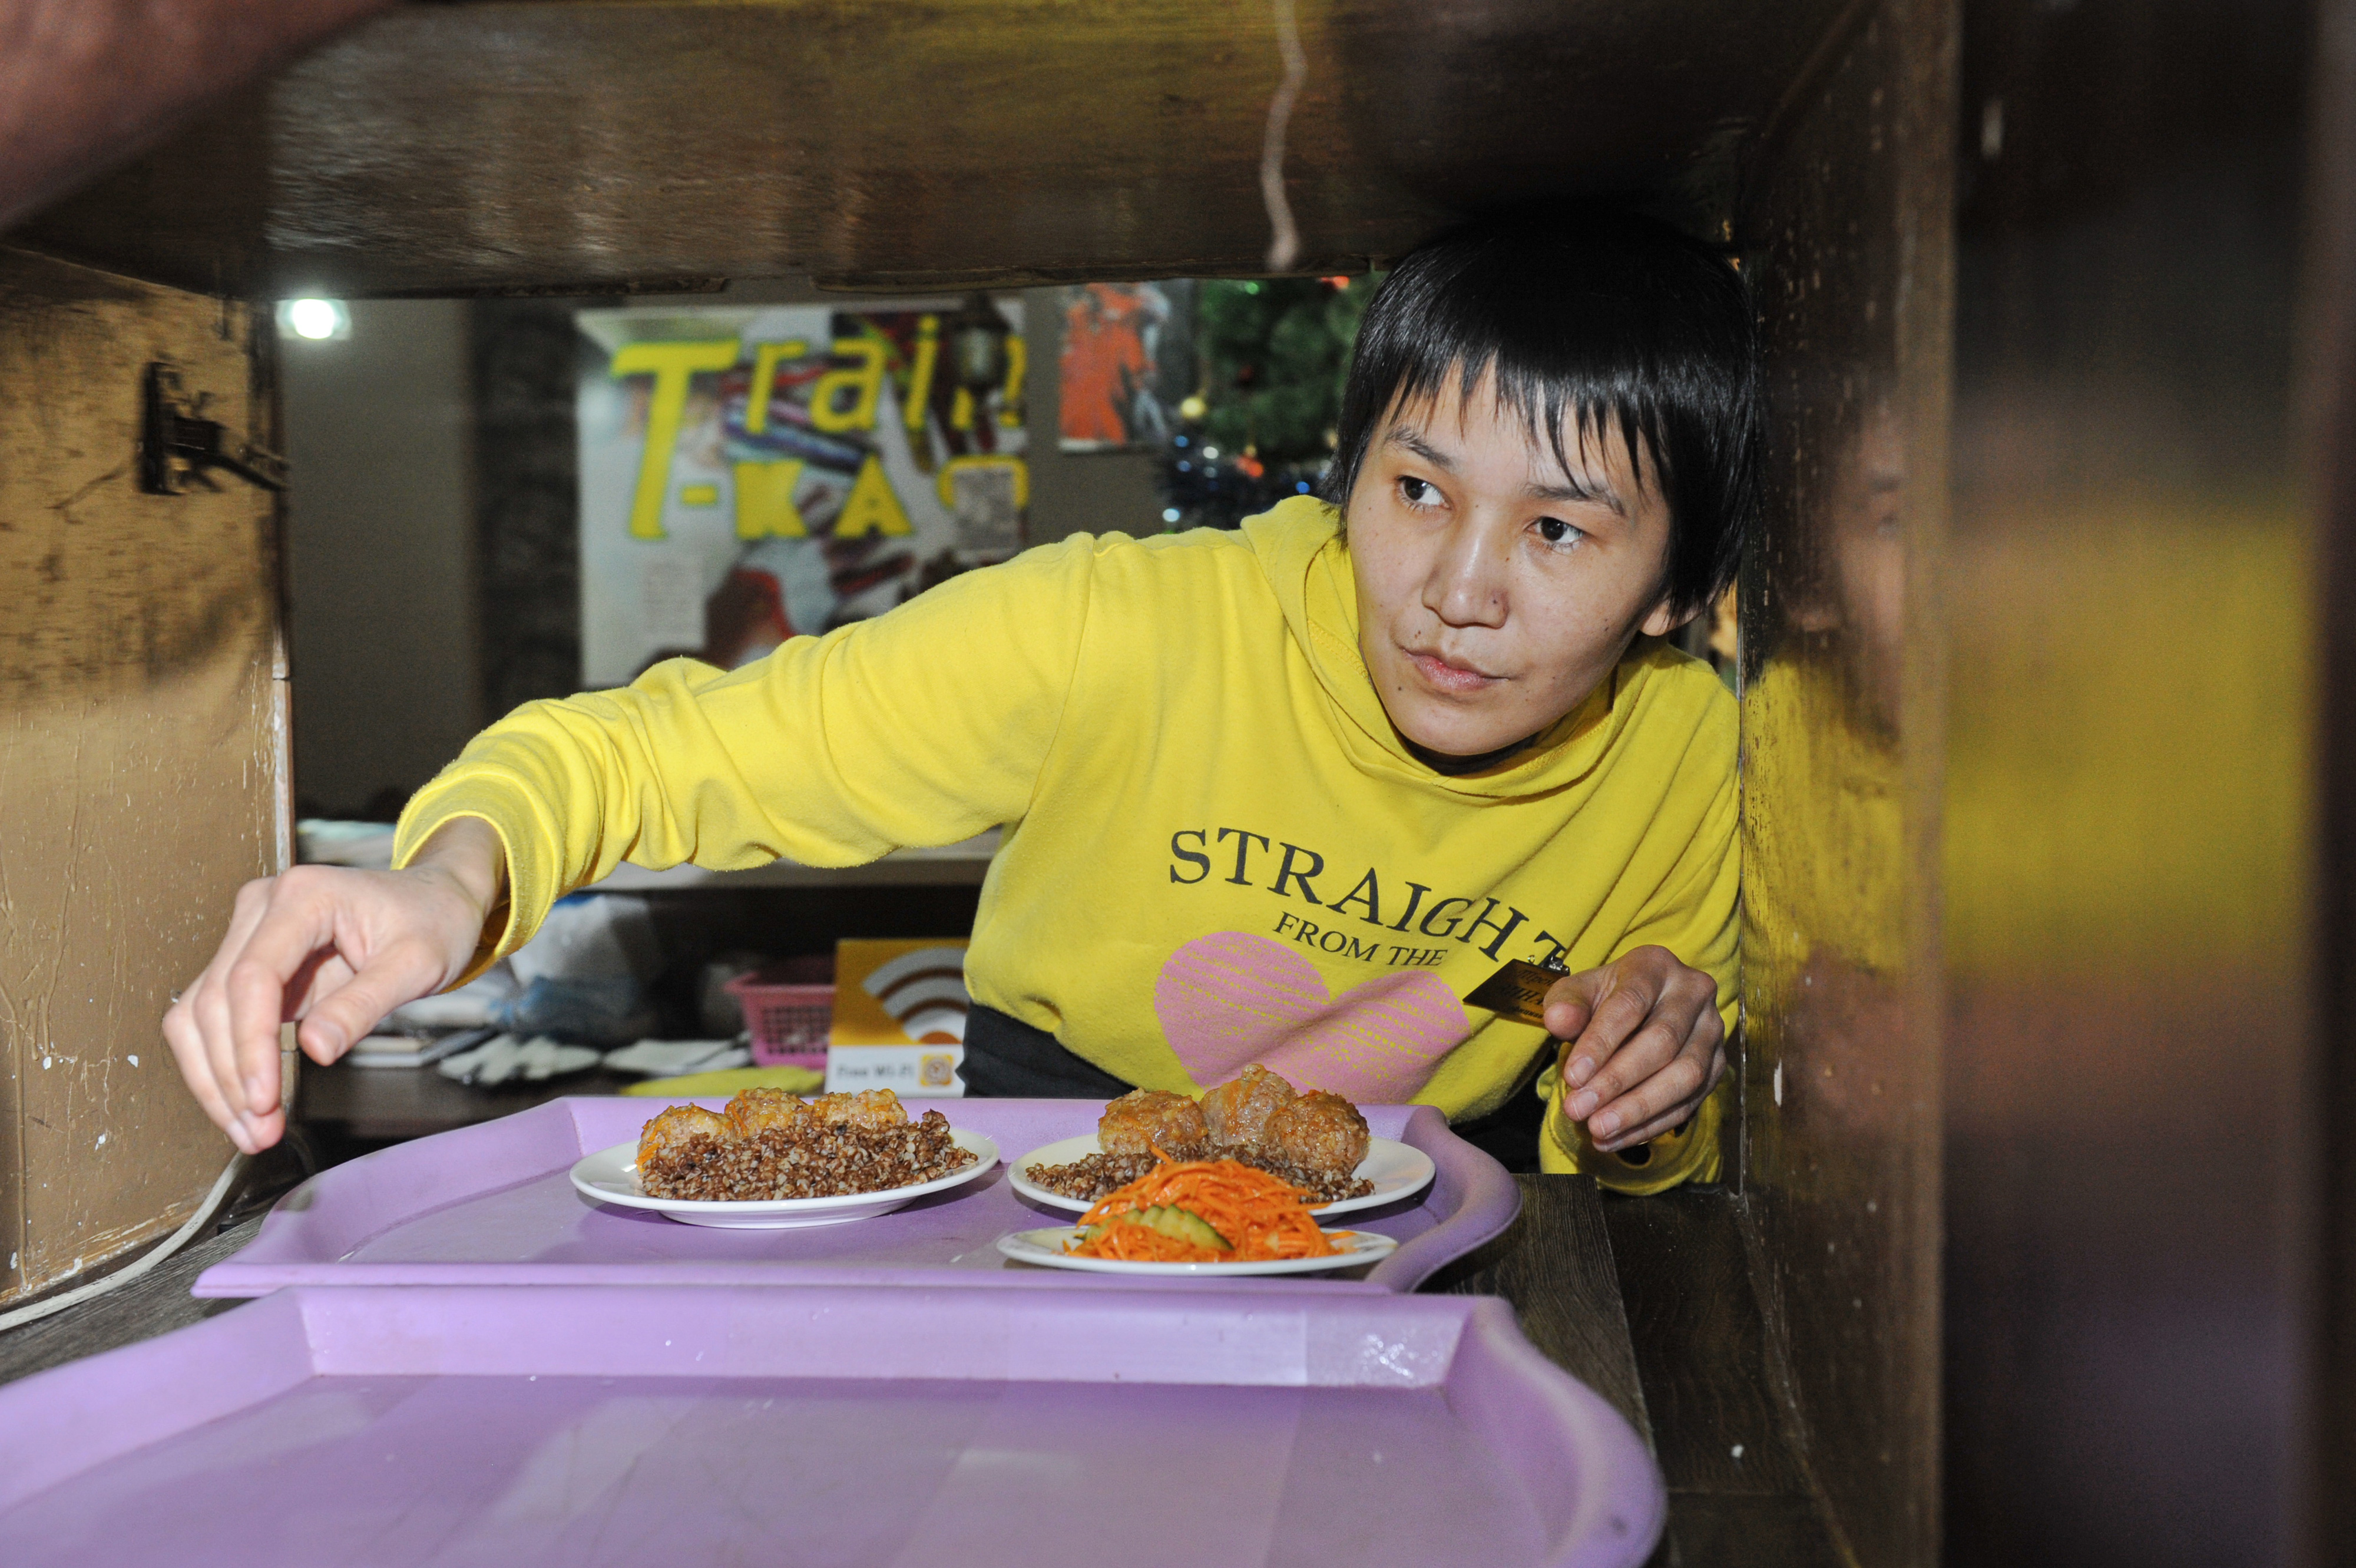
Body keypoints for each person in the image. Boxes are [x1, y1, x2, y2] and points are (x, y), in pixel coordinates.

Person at [165, 206, 1756, 1192]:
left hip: (1403, 1228)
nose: (1458, 588)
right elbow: (666, 751)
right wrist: (450, 878)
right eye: (1415, 487)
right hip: (1028, 1155)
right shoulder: (1123, 627)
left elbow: (1636, 1160)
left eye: (1557, 529)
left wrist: (1648, 1096)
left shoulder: (1698, 769)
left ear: (1681, 589)